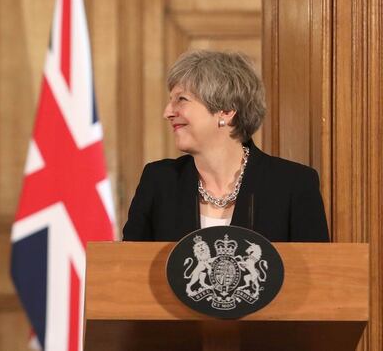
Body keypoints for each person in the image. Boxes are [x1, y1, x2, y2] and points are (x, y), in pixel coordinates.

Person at [122, 50, 329, 242]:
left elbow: (317, 275)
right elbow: (127, 270)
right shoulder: (158, 181)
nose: (167, 112)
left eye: (181, 99)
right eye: (170, 100)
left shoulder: (293, 185)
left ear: (227, 110)